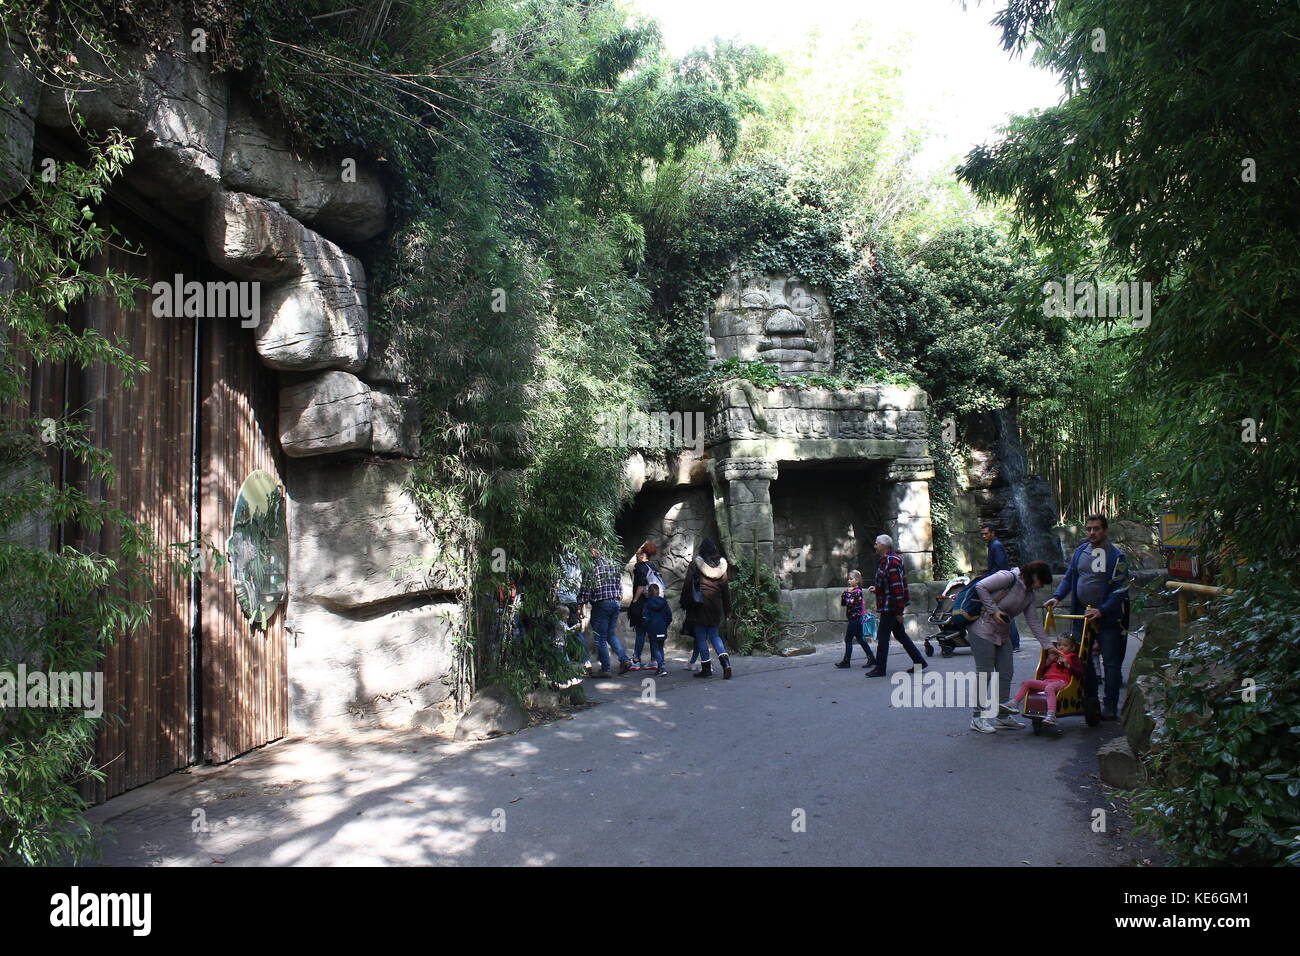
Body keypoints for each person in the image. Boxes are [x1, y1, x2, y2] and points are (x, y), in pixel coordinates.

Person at [1043, 514, 1130, 721]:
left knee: (1110, 661)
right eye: (1089, 528)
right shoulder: (1080, 551)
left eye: (1097, 529)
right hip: (1082, 615)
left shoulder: (1117, 556)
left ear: (1105, 530)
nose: (1092, 532)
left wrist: (1103, 610)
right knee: (1083, 660)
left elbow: (1121, 589)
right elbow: (1070, 577)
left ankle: (1110, 705)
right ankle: (1090, 700)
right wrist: (1056, 597)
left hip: (1107, 617)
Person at [967, 560, 1055, 734]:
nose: (1040, 586)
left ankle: (1002, 716)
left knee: (1006, 672)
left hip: (1002, 633)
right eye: (1041, 582)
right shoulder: (1008, 577)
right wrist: (993, 610)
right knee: (984, 673)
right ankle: (977, 718)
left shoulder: (1029, 594)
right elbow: (981, 586)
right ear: (1034, 575)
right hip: (982, 629)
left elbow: (1033, 621)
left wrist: (1048, 646)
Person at [865, 535, 926, 677]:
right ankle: (919, 662)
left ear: (884, 546)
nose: (875, 546)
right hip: (890, 605)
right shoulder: (888, 560)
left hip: (891, 607)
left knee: (883, 637)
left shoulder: (891, 561)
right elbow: (889, 583)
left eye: (877, 543)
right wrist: (878, 589)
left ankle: (880, 668)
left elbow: (897, 588)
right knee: (900, 635)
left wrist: (899, 611)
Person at [578, 544, 630, 677]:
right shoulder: (613, 564)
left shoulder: (593, 566)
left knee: (600, 638)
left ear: (594, 551)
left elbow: (587, 587)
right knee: (610, 634)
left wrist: (581, 603)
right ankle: (624, 659)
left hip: (601, 604)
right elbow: (619, 584)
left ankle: (605, 669)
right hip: (615, 602)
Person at [683, 537, 732, 678]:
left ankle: (706, 668)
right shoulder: (722, 567)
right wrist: (728, 610)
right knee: (715, 635)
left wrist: (686, 604)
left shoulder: (695, 565)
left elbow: (687, 586)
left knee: (701, 637)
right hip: (715, 607)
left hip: (700, 606)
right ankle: (726, 664)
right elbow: (725, 592)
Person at [1009, 634, 1083, 726]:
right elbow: (1042, 671)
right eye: (1059, 645)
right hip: (1047, 681)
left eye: (1065, 645)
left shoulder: (1073, 657)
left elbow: (1079, 672)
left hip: (1061, 682)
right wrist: (1048, 660)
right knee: (1026, 683)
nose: (1061, 648)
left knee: (1049, 688)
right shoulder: (1054, 656)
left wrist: (1067, 665)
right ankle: (1014, 703)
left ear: (1072, 648)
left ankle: (1051, 715)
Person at [981, 523, 1019, 649]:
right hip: (998, 582)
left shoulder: (996, 546)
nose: (984, 536)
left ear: (993, 533)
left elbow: (1001, 567)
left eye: (986, 533)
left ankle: (1014, 643)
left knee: (1004, 612)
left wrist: (989, 579)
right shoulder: (993, 545)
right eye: (983, 534)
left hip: (1000, 584)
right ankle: (1011, 642)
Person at [627, 541, 664, 671]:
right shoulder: (653, 567)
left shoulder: (641, 567)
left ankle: (636, 660)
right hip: (654, 604)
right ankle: (654, 660)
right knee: (652, 633)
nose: (637, 556)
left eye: (638, 553)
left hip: (643, 604)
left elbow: (642, 585)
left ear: (643, 555)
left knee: (640, 633)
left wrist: (635, 600)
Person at [835, 570, 877, 669]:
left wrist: (847, 594)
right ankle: (871, 658)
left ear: (857, 580)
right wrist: (846, 593)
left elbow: (852, 603)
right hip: (853, 619)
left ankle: (846, 661)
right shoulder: (850, 592)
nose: (849, 581)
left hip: (856, 619)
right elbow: (843, 603)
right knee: (860, 639)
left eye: (851, 579)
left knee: (848, 639)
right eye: (848, 579)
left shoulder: (858, 592)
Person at [641, 583, 672, 678]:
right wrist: (665, 625)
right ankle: (661, 666)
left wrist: (647, 626)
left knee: (655, 649)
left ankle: (661, 667)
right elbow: (669, 616)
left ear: (649, 592)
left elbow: (645, 617)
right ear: (658, 592)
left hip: (653, 629)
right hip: (662, 628)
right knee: (660, 648)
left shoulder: (647, 604)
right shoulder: (664, 602)